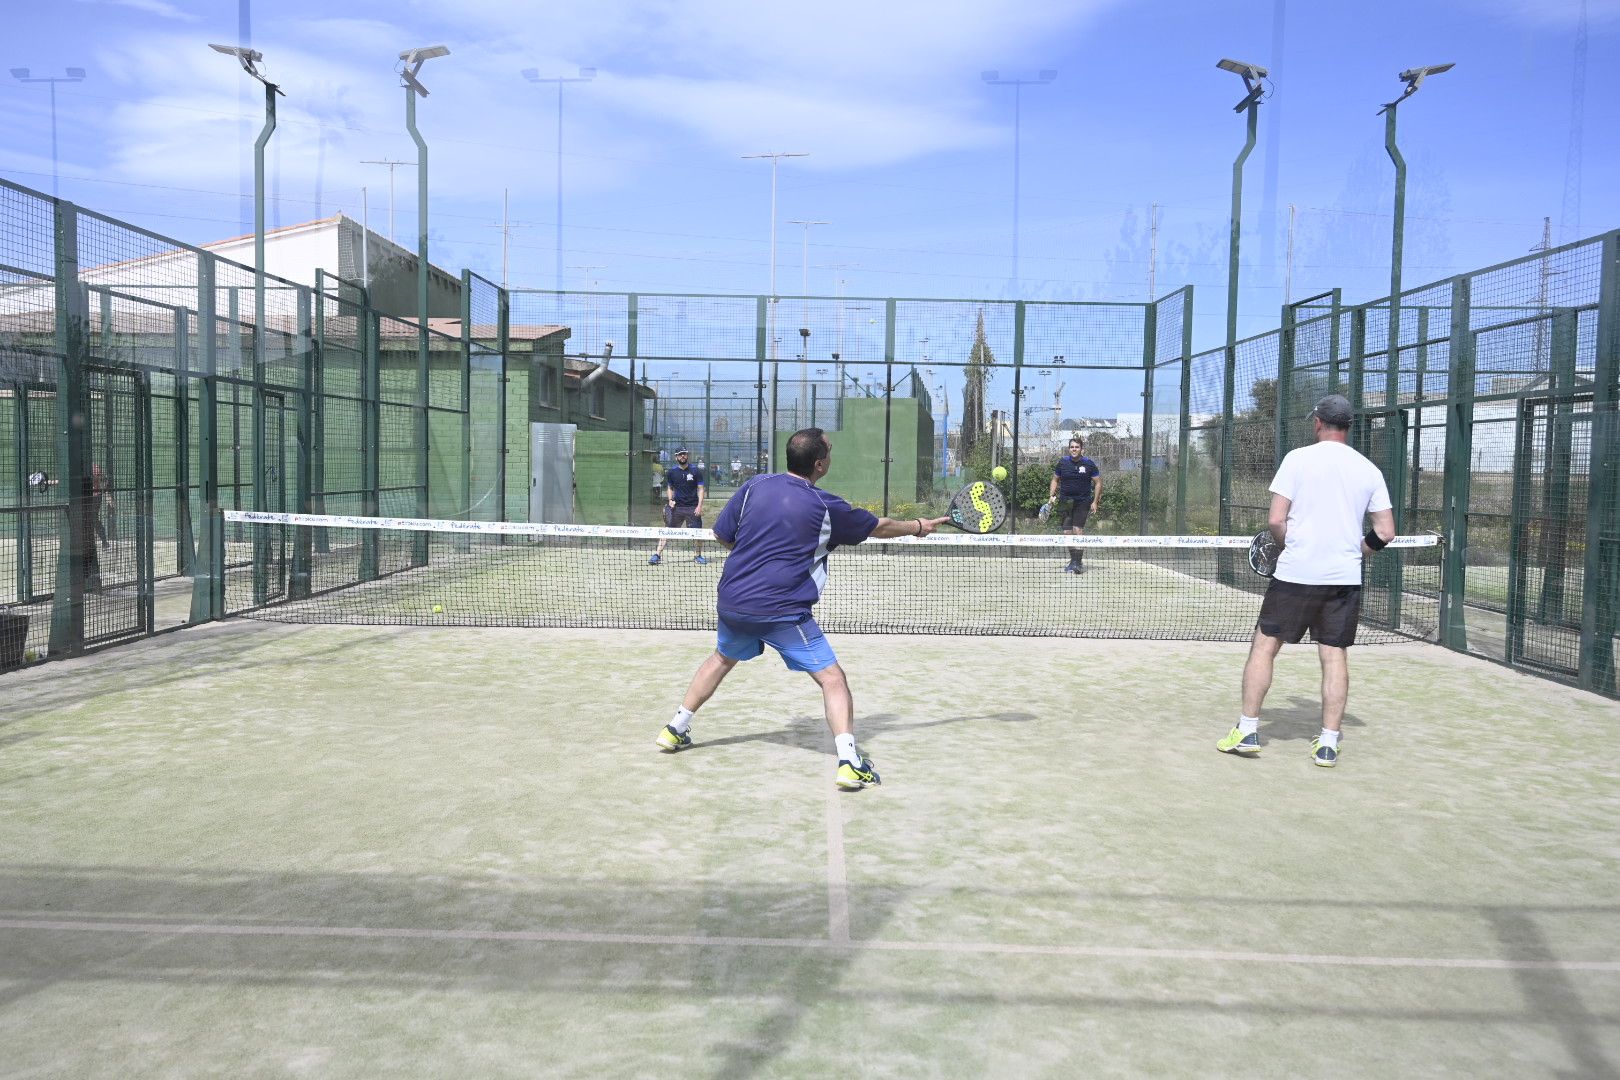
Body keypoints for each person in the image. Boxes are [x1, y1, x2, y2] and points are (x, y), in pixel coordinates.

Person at [654, 427, 948, 791]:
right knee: (832, 678)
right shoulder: (826, 506)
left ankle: (674, 729)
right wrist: (919, 525)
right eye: (830, 450)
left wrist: (754, 560)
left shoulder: (753, 486)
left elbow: (722, 534)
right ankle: (850, 763)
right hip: (781, 611)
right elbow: (881, 526)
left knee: (720, 659)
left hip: (732, 601)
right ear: (820, 465)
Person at [1217, 394, 1396, 768]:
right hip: (1343, 580)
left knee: (1264, 648)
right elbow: (1386, 531)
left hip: (1295, 575)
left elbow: (1276, 521)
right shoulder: (1369, 470)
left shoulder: (1296, 459)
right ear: (1348, 425)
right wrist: (1357, 552)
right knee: (1334, 655)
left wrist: (1286, 548)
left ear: (1317, 422)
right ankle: (1328, 743)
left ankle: (1248, 730)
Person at [1048, 436, 1101, 573]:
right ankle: (1073, 560)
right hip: (1065, 501)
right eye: (1072, 447)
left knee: (1077, 530)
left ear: (1081, 449)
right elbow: (1055, 480)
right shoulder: (1062, 463)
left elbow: (1098, 483)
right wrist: (1052, 496)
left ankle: (1078, 562)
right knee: (1067, 532)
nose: (1074, 449)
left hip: (1082, 501)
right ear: (1069, 448)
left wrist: (1095, 501)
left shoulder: (1089, 464)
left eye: (1077, 447)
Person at [649, 447, 709, 565]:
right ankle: (657, 555)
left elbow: (701, 490)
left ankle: (698, 556)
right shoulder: (672, 472)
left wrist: (699, 506)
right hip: (677, 508)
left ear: (687, 456)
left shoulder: (695, 471)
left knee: (697, 533)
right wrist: (670, 500)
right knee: (667, 531)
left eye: (684, 454)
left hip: (693, 508)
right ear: (676, 457)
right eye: (680, 454)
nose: (683, 456)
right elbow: (670, 488)